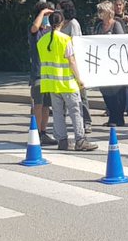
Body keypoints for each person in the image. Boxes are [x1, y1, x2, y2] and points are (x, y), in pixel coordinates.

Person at [37, 10, 97, 151]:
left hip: (51, 83)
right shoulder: (65, 39)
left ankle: (62, 141)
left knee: (58, 113)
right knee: (75, 111)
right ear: (62, 22)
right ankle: (80, 140)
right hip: (67, 83)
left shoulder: (42, 41)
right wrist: (79, 79)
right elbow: (71, 61)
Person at [56, 0, 91, 133]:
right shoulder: (58, 25)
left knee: (81, 95)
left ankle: (86, 121)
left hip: (74, 61)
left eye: (59, 9)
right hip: (61, 66)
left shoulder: (73, 24)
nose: (57, 11)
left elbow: (76, 43)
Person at [92, 1, 128, 127]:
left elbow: (122, 42)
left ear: (108, 12)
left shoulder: (116, 24)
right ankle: (112, 115)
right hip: (102, 63)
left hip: (116, 63)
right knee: (106, 91)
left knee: (118, 91)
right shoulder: (98, 26)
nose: (99, 14)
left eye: (102, 11)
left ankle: (119, 117)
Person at [28, 2, 56, 144]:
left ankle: (43, 131)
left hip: (49, 74)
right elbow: (34, 27)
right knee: (37, 105)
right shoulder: (36, 32)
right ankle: (36, 132)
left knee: (46, 106)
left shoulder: (50, 31)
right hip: (38, 73)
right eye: (47, 15)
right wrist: (42, 13)